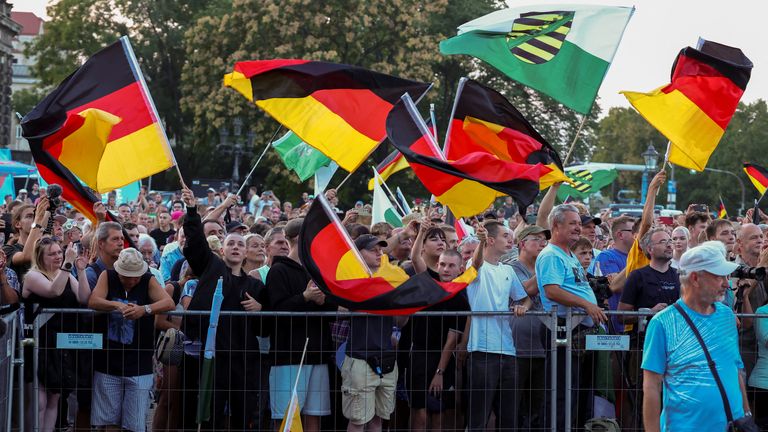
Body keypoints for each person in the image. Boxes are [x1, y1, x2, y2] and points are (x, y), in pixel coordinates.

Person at [179, 187, 266, 430]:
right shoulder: (212, 268)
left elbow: (267, 325)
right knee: (209, 413)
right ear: (223, 249)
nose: (236, 247)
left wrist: (261, 308)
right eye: (231, 244)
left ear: (247, 251)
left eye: (241, 244)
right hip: (211, 355)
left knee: (242, 413)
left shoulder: (255, 286)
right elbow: (195, 242)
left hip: (243, 359)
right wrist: (191, 211)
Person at [642, 241, 750, 432]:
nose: (727, 283)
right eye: (719, 276)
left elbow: (735, 369)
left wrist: (746, 415)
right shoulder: (662, 323)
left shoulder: (726, 316)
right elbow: (651, 387)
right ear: (695, 278)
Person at [88, 248, 174, 432]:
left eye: (136, 275)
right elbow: (94, 301)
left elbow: (168, 303)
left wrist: (145, 309)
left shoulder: (148, 279)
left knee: (134, 422)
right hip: (108, 361)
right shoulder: (107, 276)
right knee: (109, 420)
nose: (133, 279)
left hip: (139, 362)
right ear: (119, 271)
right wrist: (116, 305)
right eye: (128, 276)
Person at [537, 204, 606, 429]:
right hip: (562, 327)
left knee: (574, 391)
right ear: (556, 226)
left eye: (579, 223)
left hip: (576, 328)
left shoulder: (567, 254)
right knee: (561, 392)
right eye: (573, 223)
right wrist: (587, 305)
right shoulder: (551, 255)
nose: (578, 228)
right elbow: (552, 290)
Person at [266, 218, 336, 431]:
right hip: (288, 356)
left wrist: (324, 301)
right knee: (287, 419)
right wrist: (304, 297)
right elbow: (276, 311)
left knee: (314, 416)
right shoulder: (278, 272)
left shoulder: (317, 272)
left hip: (319, 354)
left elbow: (332, 309)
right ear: (300, 238)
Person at [407, 222, 476, 431]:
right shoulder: (430, 281)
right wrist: (421, 233)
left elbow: (451, 339)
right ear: (438, 265)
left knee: (438, 411)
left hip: (442, 357)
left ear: (460, 268)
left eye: (451, 265)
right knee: (419, 410)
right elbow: (415, 259)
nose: (446, 269)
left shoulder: (460, 296)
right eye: (443, 264)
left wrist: (440, 371)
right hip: (419, 353)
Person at [465, 221, 531, 430]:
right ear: (490, 240)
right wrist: (480, 242)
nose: (511, 239)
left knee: (509, 417)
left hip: (508, 350)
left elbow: (525, 298)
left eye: (511, 235)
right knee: (478, 417)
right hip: (481, 350)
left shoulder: (508, 270)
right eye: (505, 235)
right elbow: (476, 264)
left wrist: (524, 307)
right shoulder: (474, 266)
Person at [22, 237, 91, 432]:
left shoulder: (67, 274)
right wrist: (68, 265)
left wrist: (82, 270)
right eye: (52, 254)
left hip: (60, 342)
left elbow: (85, 298)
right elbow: (54, 291)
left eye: (59, 252)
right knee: (39, 401)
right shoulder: (33, 276)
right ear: (40, 257)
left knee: (55, 397)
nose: (58, 257)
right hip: (37, 342)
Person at [342, 234, 407, 432]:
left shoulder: (389, 281)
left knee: (378, 419)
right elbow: (339, 310)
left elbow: (399, 322)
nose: (379, 254)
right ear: (358, 254)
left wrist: (407, 310)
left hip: (386, 358)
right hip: (360, 359)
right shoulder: (349, 281)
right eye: (373, 250)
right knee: (358, 420)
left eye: (381, 250)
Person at [618, 227, 681, 429]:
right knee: (641, 397)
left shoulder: (679, 277)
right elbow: (621, 315)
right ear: (649, 249)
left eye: (670, 240)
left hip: (675, 348)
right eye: (663, 241)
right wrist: (648, 312)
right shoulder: (638, 276)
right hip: (642, 347)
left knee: (670, 397)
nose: (669, 244)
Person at [509, 225, 550, 429]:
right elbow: (525, 291)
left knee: (537, 409)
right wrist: (547, 267)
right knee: (513, 408)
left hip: (543, 349)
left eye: (545, 240)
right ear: (522, 243)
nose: (543, 244)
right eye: (537, 239)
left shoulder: (544, 266)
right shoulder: (512, 268)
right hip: (518, 349)